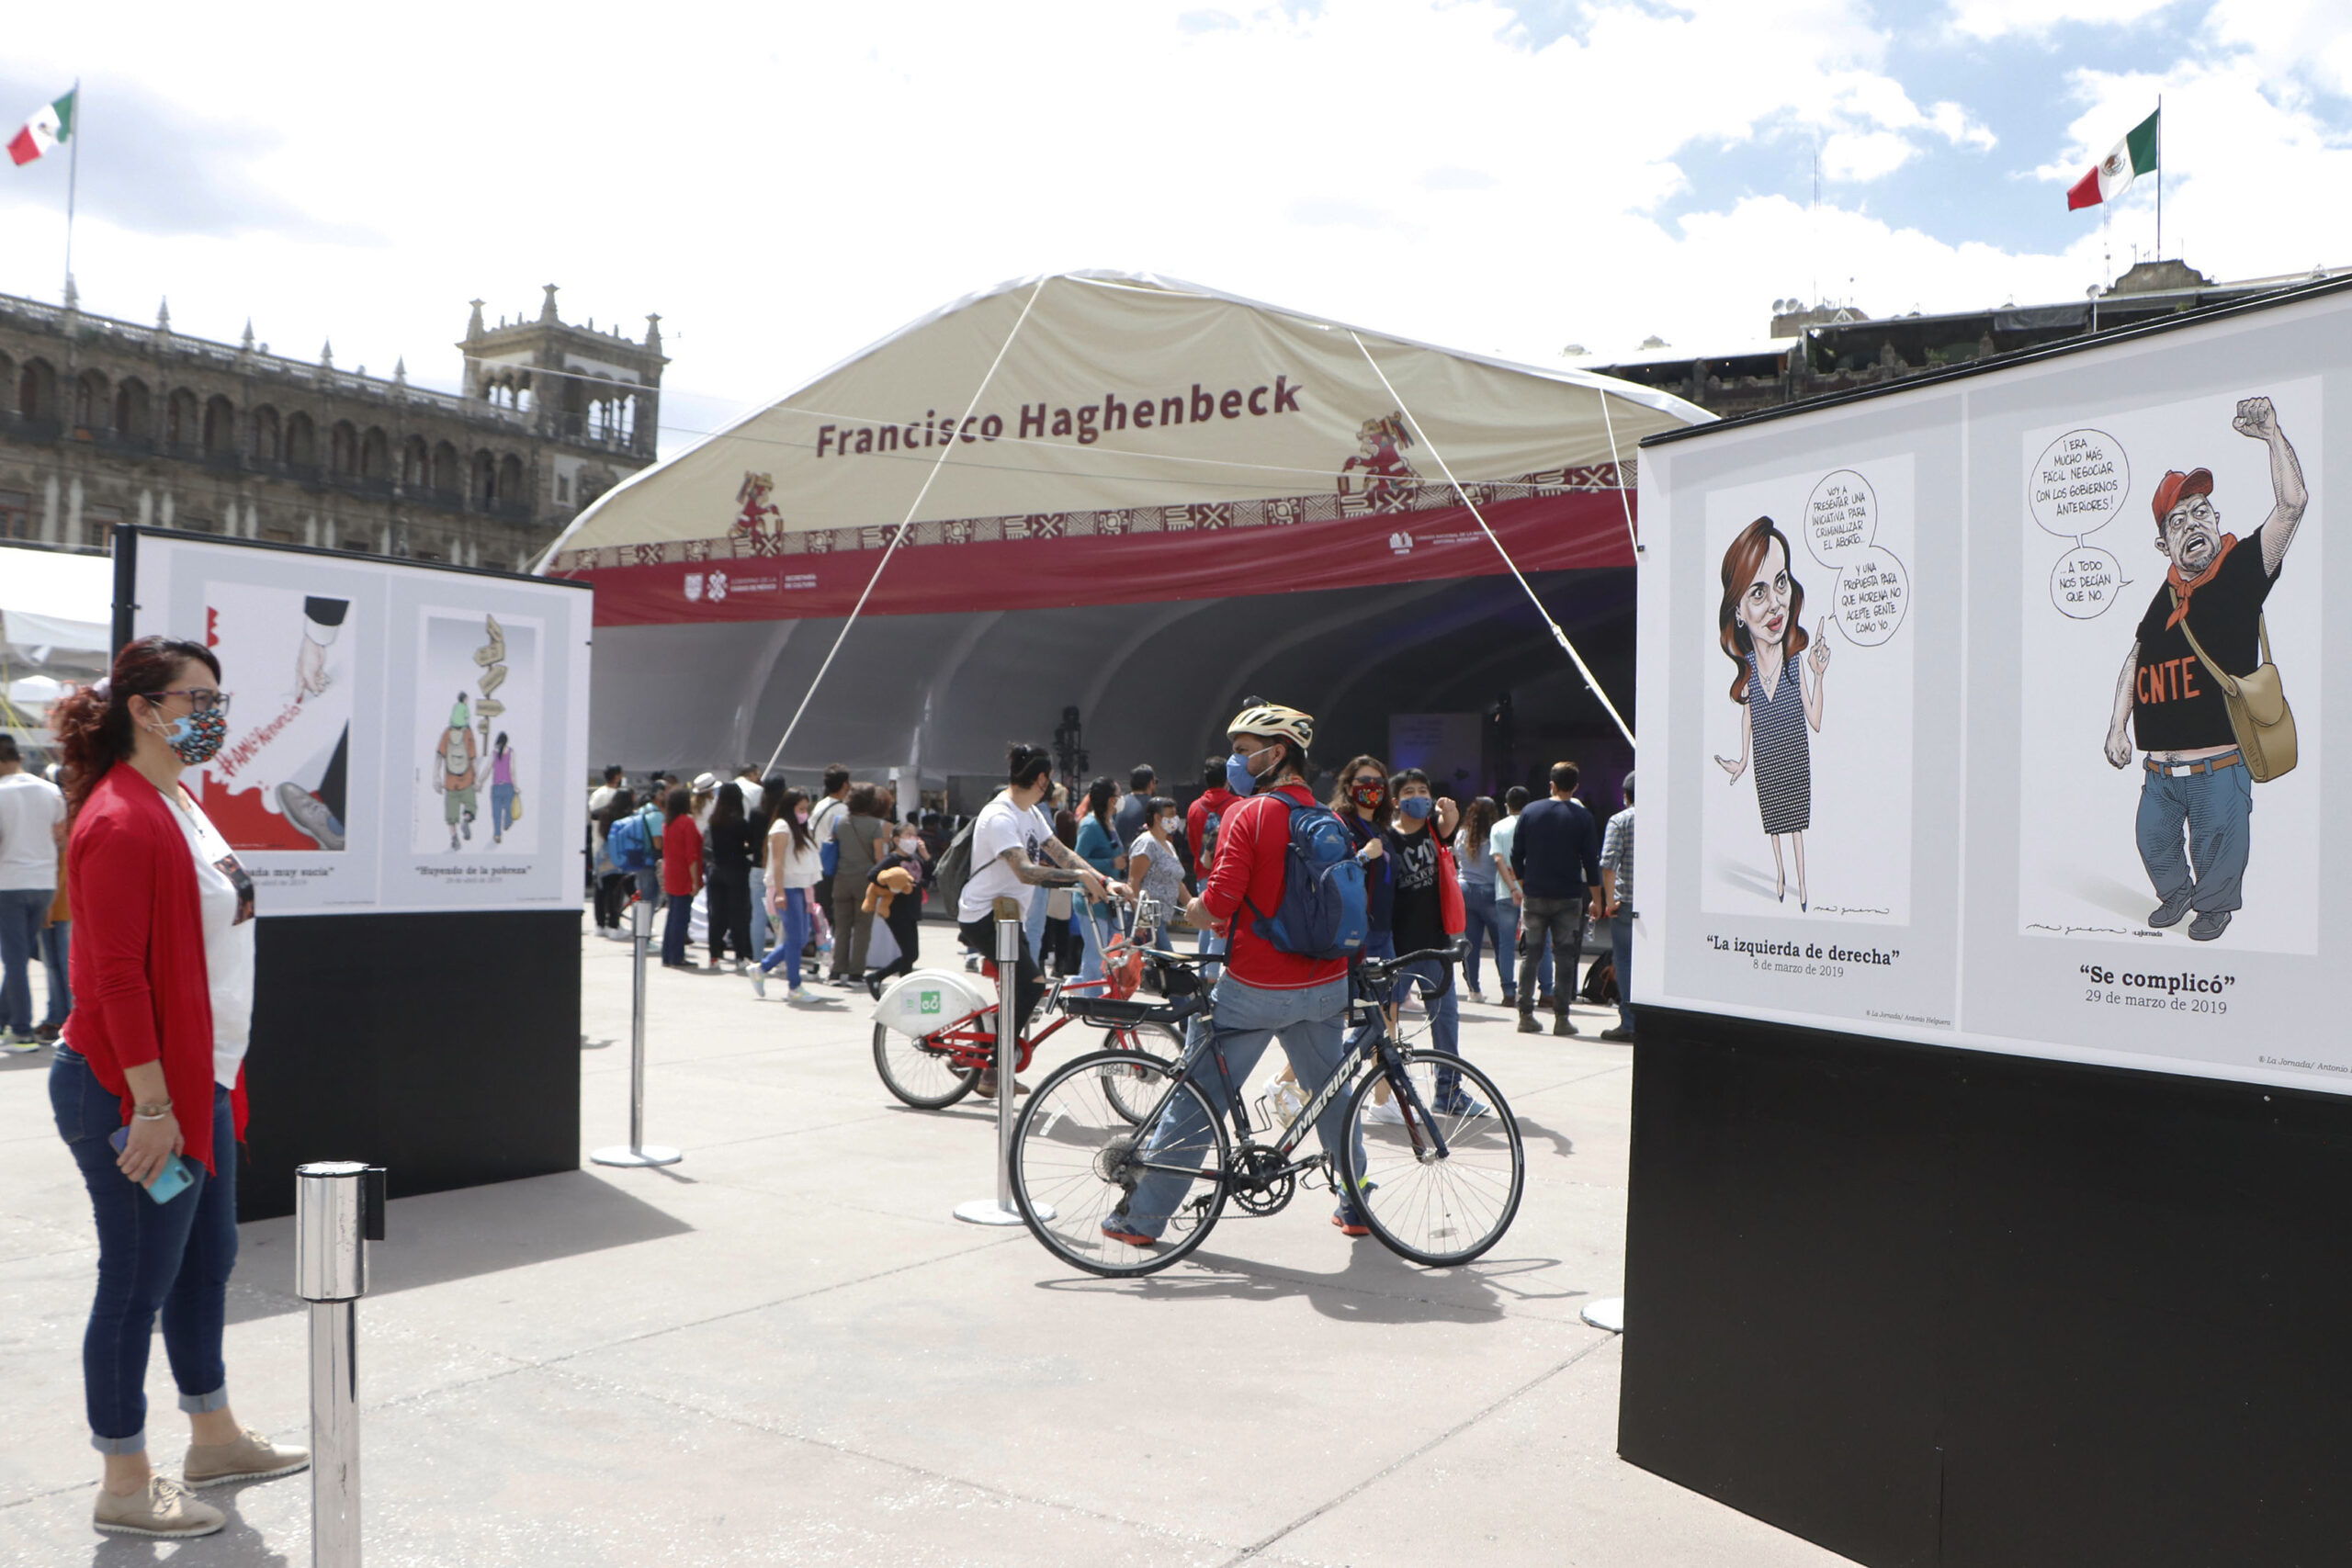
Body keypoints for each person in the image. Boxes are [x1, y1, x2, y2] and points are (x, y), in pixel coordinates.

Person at [48, 636, 308, 1540]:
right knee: (136, 1282)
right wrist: (151, 1109)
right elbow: (113, 977)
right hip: (130, 1094)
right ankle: (124, 1478)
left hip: (202, 1084)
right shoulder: (119, 816)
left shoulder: (177, 801)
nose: (213, 714)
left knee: (207, 1264)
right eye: (198, 699)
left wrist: (197, 1093)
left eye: (216, 698)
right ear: (144, 708)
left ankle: (214, 1434)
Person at [1108, 700, 1373, 1245]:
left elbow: (1221, 903)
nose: (1235, 761)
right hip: (1323, 985)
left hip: (1254, 987)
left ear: (1276, 755)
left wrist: (1192, 911)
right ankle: (1357, 1204)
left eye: (1243, 751)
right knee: (1332, 1096)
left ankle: (1143, 1218)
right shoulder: (1330, 819)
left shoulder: (1247, 814)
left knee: (1195, 1097)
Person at [2102, 399, 2307, 942]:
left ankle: (2213, 907)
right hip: (2159, 775)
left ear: (2216, 520)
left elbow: (2291, 505)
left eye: (2200, 512)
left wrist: (2271, 436)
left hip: (2218, 768)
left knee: (2220, 843)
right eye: (2178, 520)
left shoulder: (2243, 569)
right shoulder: (2165, 595)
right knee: (2153, 842)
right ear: (2163, 542)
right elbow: (2136, 658)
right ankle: (2177, 895)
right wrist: (2117, 725)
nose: (2192, 524)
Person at [957, 744, 1118, 1097]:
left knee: (1025, 990)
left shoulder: (1029, 813)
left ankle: (979, 1054)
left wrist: (1104, 882)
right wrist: (1078, 879)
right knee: (1031, 986)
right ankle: (988, 1069)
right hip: (984, 914)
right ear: (1043, 779)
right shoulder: (1000, 816)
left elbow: (1060, 852)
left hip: (1009, 916)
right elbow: (1026, 871)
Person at [1714, 515, 1831, 909]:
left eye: (1780, 583)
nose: (1776, 603)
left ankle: (1801, 881)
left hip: (1794, 757)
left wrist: (1818, 675)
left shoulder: (1795, 662)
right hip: (1766, 760)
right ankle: (1780, 874)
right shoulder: (1747, 669)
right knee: (1775, 826)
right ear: (1739, 612)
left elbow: (1814, 719)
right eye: (1758, 593)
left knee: (1796, 825)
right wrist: (1743, 759)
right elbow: (1749, 715)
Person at [1372, 768, 1477, 1115]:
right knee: (1379, 1023)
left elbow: (1449, 824)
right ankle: (1366, 1090)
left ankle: (1448, 1092)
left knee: (1445, 1020)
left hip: (1436, 946)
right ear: (1395, 801)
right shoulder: (1386, 838)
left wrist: (1452, 814)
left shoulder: (1436, 833)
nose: (1418, 797)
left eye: (1423, 790)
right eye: (1409, 792)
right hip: (1395, 949)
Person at [1511, 761, 1602, 1037]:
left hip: (1535, 894)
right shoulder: (1582, 817)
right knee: (1565, 957)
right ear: (1575, 786)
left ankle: (1525, 1014)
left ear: (1551, 784)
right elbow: (1591, 861)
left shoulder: (1530, 811)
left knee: (1531, 955)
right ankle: (1561, 1018)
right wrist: (1597, 899)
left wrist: (1525, 882)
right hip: (1568, 895)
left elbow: (1517, 853)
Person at [0, 733, 66, 1049]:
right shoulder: (51, 790)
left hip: (9, 883)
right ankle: (3, 1022)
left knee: (14, 960)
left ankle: (22, 1031)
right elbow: (60, 836)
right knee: (20, 955)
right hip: (44, 884)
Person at [753, 788, 820, 1001]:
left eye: (806, 809)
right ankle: (794, 986)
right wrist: (780, 892)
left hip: (799, 887)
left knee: (798, 939)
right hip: (787, 889)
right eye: (801, 809)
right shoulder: (782, 827)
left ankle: (762, 968)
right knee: (795, 938)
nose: (804, 813)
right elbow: (778, 862)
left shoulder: (799, 828)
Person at [1487, 785, 1550, 1008]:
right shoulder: (1538, 825)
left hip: (1506, 893)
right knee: (1542, 942)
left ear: (1506, 805)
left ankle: (1508, 991)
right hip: (1535, 891)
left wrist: (1513, 887)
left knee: (1505, 944)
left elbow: (1498, 859)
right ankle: (1547, 991)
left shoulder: (1498, 827)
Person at [1330, 756, 1396, 959]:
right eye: (1365, 780)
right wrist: (1363, 856)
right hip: (1353, 931)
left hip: (1383, 930)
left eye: (1379, 782)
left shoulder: (1381, 828)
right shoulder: (1338, 824)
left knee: (1387, 990)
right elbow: (1329, 873)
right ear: (1350, 788)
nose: (1373, 786)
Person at [827, 783, 888, 985]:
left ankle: (836, 971)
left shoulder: (840, 822)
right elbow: (879, 857)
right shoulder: (874, 825)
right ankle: (856, 973)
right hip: (864, 881)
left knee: (842, 927)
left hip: (841, 879)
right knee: (862, 928)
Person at [1453, 795, 1507, 1005]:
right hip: (1490, 891)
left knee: (1471, 944)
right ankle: (1507, 988)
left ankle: (1473, 990)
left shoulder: (1462, 834)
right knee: (1500, 943)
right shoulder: (1495, 834)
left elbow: (1458, 861)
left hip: (1464, 890)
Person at [1071, 776, 1125, 983]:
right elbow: (1079, 861)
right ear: (1111, 800)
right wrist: (1111, 864)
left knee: (1112, 957)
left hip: (1109, 902)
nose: (1121, 800)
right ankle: (1088, 1001)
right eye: (1119, 796)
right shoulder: (1090, 825)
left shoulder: (1109, 823)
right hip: (1092, 900)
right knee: (1095, 959)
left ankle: (1083, 992)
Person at [1599, 772, 1637, 1043]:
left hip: (1627, 901)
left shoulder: (1620, 820)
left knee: (1624, 960)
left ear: (1625, 796)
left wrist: (1609, 901)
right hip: (1657, 905)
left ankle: (1630, 1022)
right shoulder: (1665, 818)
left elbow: (1608, 864)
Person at [704, 783, 758, 971]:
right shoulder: (739, 821)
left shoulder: (713, 820)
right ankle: (741, 955)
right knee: (739, 915)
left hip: (716, 870)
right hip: (736, 871)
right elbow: (752, 844)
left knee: (717, 915)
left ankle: (714, 955)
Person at [1125, 796, 1185, 950]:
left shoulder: (1168, 846)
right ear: (1158, 817)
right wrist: (1142, 919)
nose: (1175, 819)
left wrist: (1191, 905)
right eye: (1171, 814)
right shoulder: (1146, 843)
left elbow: (1176, 881)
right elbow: (1134, 882)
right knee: (1168, 964)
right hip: (1146, 920)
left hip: (1160, 919)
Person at [808, 762, 851, 947]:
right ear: (844, 785)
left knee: (818, 909)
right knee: (829, 913)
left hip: (815, 861)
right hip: (831, 866)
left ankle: (817, 945)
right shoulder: (842, 810)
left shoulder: (820, 805)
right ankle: (825, 948)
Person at [660, 786, 702, 969]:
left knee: (672, 916)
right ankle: (677, 956)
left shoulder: (668, 823)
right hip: (684, 874)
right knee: (681, 917)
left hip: (671, 873)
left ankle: (668, 954)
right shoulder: (687, 823)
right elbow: (692, 855)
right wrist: (695, 881)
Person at [748, 777, 788, 966]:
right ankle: (781, 959)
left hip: (757, 867)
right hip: (780, 869)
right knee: (783, 917)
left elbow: (749, 839)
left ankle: (757, 956)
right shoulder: (785, 815)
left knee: (758, 914)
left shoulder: (756, 813)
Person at [591, 788, 638, 940]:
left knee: (602, 890)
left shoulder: (606, 812)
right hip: (618, 856)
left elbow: (593, 813)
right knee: (616, 892)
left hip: (603, 854)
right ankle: (613, 924)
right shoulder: (627, 816)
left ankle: (600, 924)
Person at [488, 732, 519, 846]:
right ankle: (506, 823)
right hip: (508, 786)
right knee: (508, 808)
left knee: (496, 813)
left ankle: (497, 834)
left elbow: (487, 769)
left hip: (496, 787)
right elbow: (512, 771)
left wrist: (480, 782)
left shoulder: (494, 754)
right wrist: (515, 787)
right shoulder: (511, 752)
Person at [1113, 763, 1157, 846]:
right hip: (1143, 854)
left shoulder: (1119, 802)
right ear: (1151, 783)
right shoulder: (1154, 805)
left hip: (1118, 854)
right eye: (1155, 782)